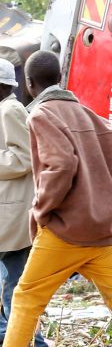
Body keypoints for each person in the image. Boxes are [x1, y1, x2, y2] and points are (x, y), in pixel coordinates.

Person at [2, 51, 112, 346]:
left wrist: (40, 212)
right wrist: (111, 210)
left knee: (25, 298)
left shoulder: (41, 114)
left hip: (64, 232)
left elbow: (61, 165)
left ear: (28, 83)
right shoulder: (95, 118)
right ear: (59, 78)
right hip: (99, 232)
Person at [0, 60, 47, 345]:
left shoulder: (10, 110)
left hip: (13, 214)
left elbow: (25, 158)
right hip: (9, 212)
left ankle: (20, 337)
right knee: (17, 284)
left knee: (16, 285)